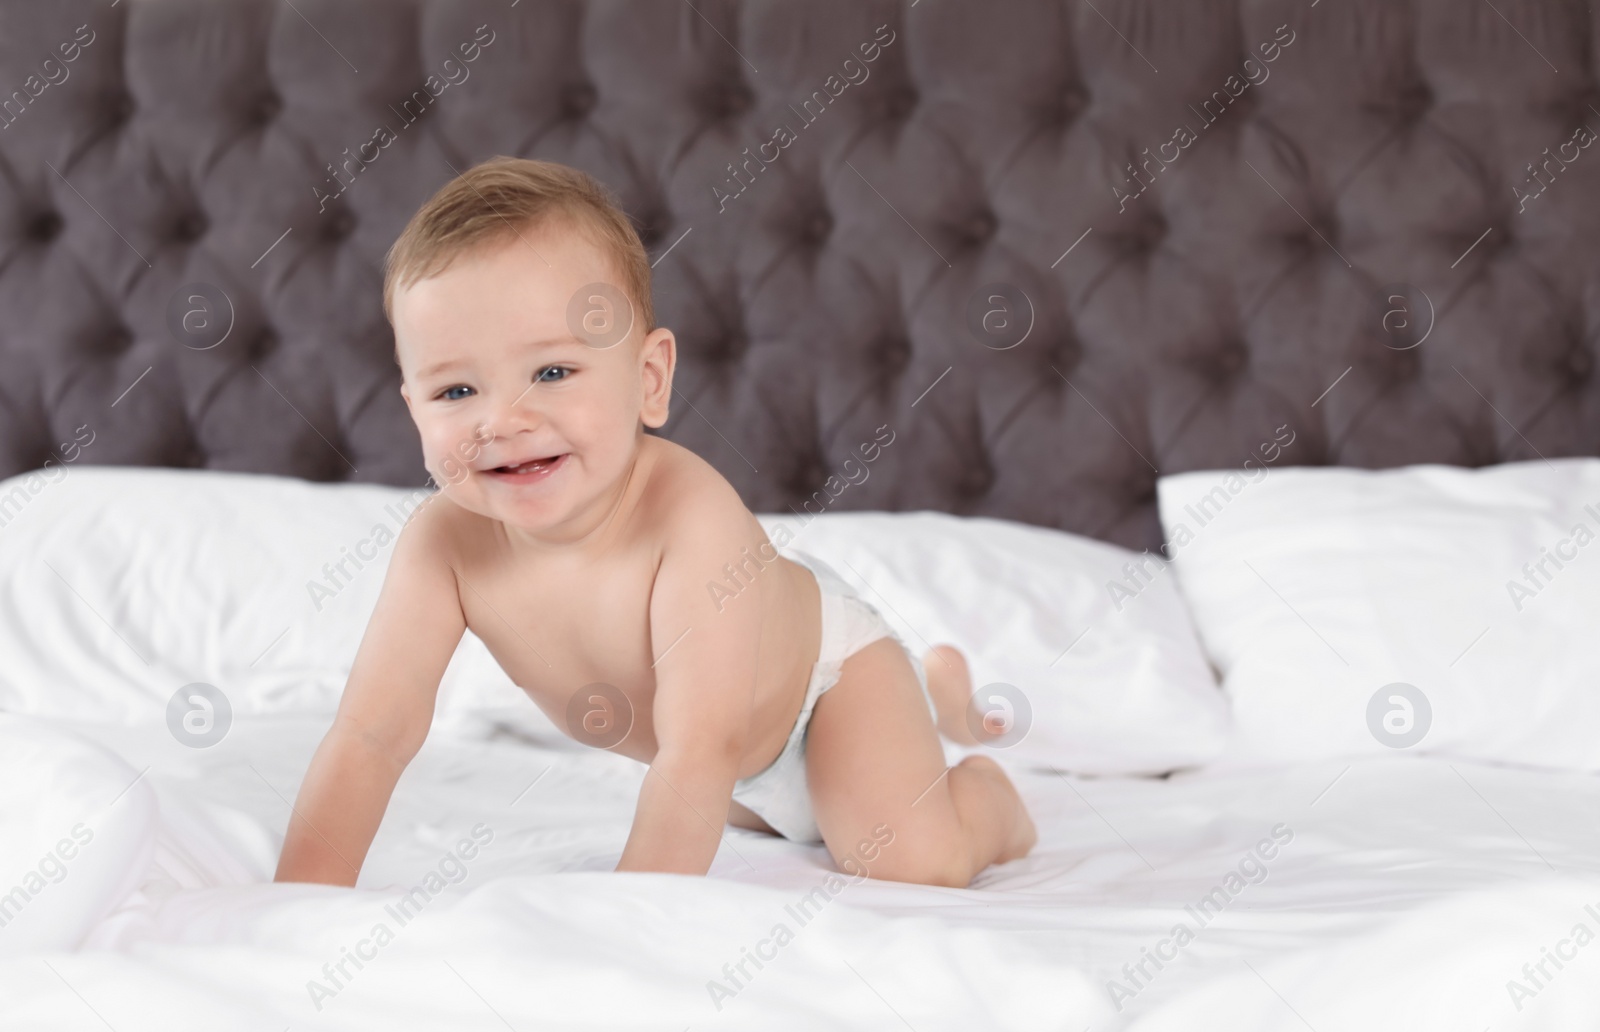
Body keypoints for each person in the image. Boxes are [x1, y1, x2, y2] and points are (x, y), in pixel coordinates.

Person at [273, 156, 1035, 889]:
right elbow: (370, 735)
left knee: (907, 859)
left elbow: (702, 748)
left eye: (552, 372)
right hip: (722, 750)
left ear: (648, 380)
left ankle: (985, 793)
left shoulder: (689, 517)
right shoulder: (443, 546)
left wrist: (626, 930)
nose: (502, 421)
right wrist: (296, 906)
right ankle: (912, 734)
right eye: (456, 391)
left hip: (824, 690)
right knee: (767, 809)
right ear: (412, 407)